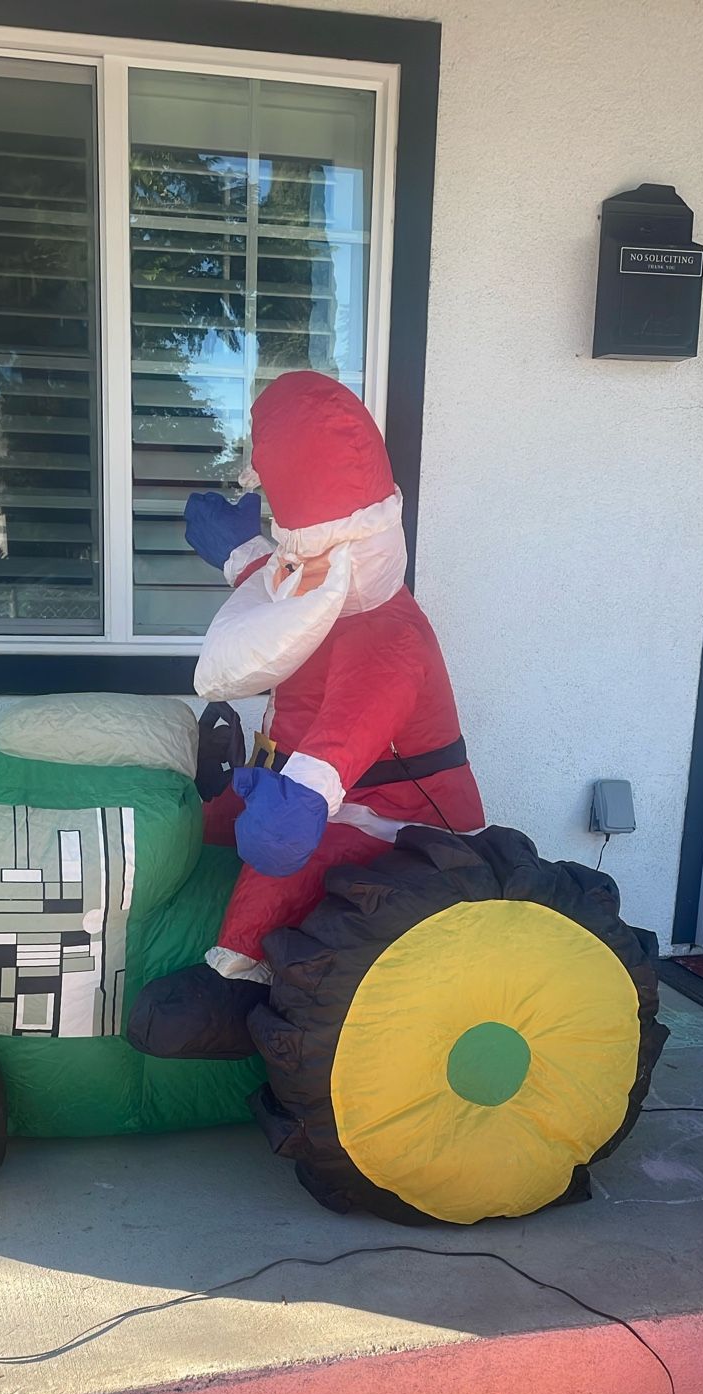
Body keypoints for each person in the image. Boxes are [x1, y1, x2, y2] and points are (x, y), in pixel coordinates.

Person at [129, 370, 484, 1060]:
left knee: (288, 865)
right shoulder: (320, 585)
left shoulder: (387, 637)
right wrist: (241, 552)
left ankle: (232, 984)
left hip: (390, 813)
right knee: (200, 822)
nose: (296, 565)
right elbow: (289, 595)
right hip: (296, 781)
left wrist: (300, 802)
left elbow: (347, 734)